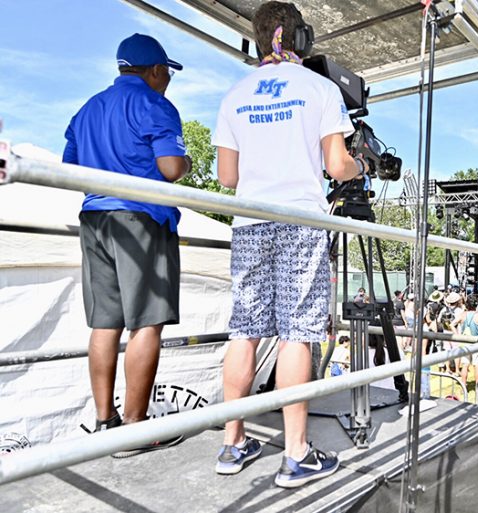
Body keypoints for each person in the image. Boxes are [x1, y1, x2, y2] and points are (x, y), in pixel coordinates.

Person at [212, 1, 364, 485]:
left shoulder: (234, 95)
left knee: (245, 329)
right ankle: (296, 453)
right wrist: (359, 165)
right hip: (300, 219)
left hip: (250, 221)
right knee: (297, 331)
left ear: (258, 40)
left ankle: (232, 444)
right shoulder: (320, 89)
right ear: (300, 38)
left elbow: (227, 176)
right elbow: (337, 166)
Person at [63, 33, 190, 456]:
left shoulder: (88, 108)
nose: (167, 81)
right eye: (167, 73)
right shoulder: (155, 105)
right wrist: (186, 162)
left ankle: (106, 422)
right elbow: (171, 168)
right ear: (154, 70)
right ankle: (134, 429)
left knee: (105, 324)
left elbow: (71, 168)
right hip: (140, 218)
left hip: (94, 218)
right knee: (146, 322)